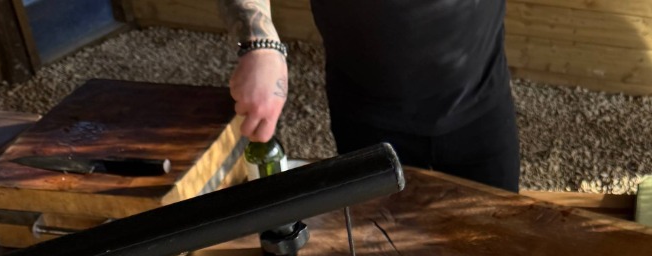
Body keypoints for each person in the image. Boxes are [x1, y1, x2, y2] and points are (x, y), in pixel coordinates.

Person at [220, 0, 521, 191]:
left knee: (498, 245)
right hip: (368, 116)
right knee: (379, 250)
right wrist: (259, 45)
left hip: (481, 106)